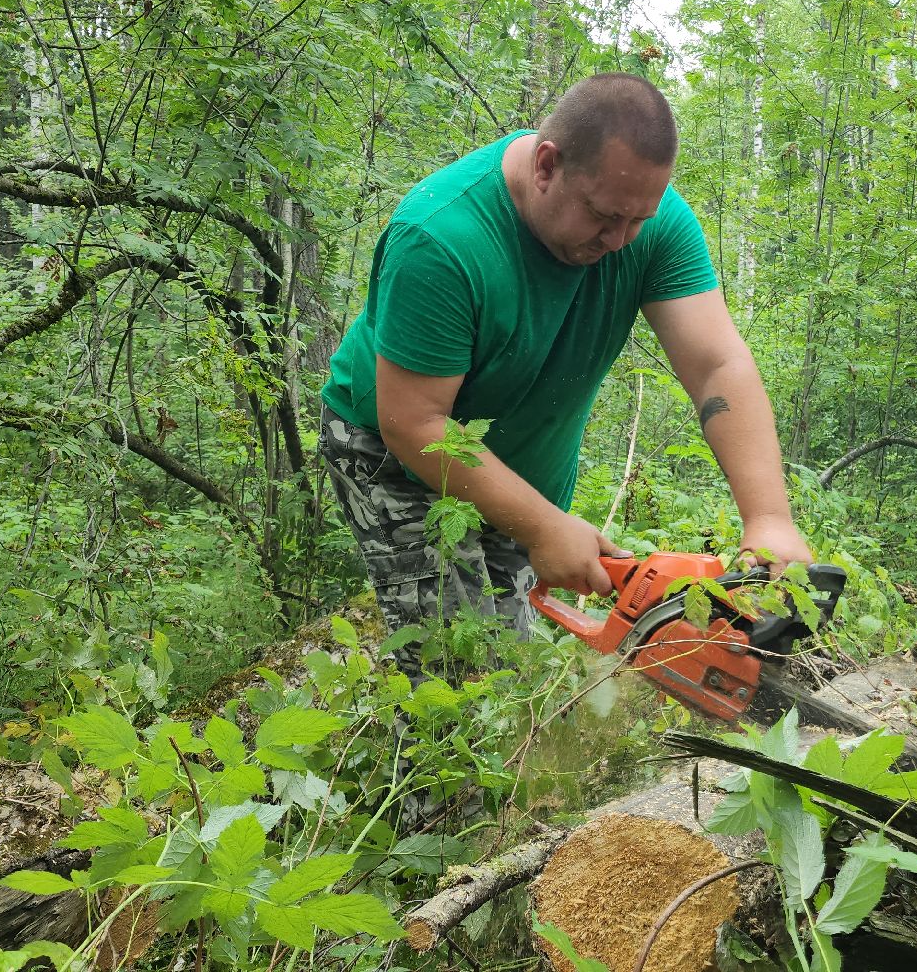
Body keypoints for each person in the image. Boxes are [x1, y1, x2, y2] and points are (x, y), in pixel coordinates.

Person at [318, 73, 810, 674]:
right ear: (547, 165)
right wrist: (546, 525)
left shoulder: (651, 224)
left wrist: (768, 520)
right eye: (604, 217)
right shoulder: (440, 238)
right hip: (393, 449)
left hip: (520, 461)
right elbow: (415, 423)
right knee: (461, 674)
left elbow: (717, 366)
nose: (620, 239)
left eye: (637, 221)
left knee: (512, 660)